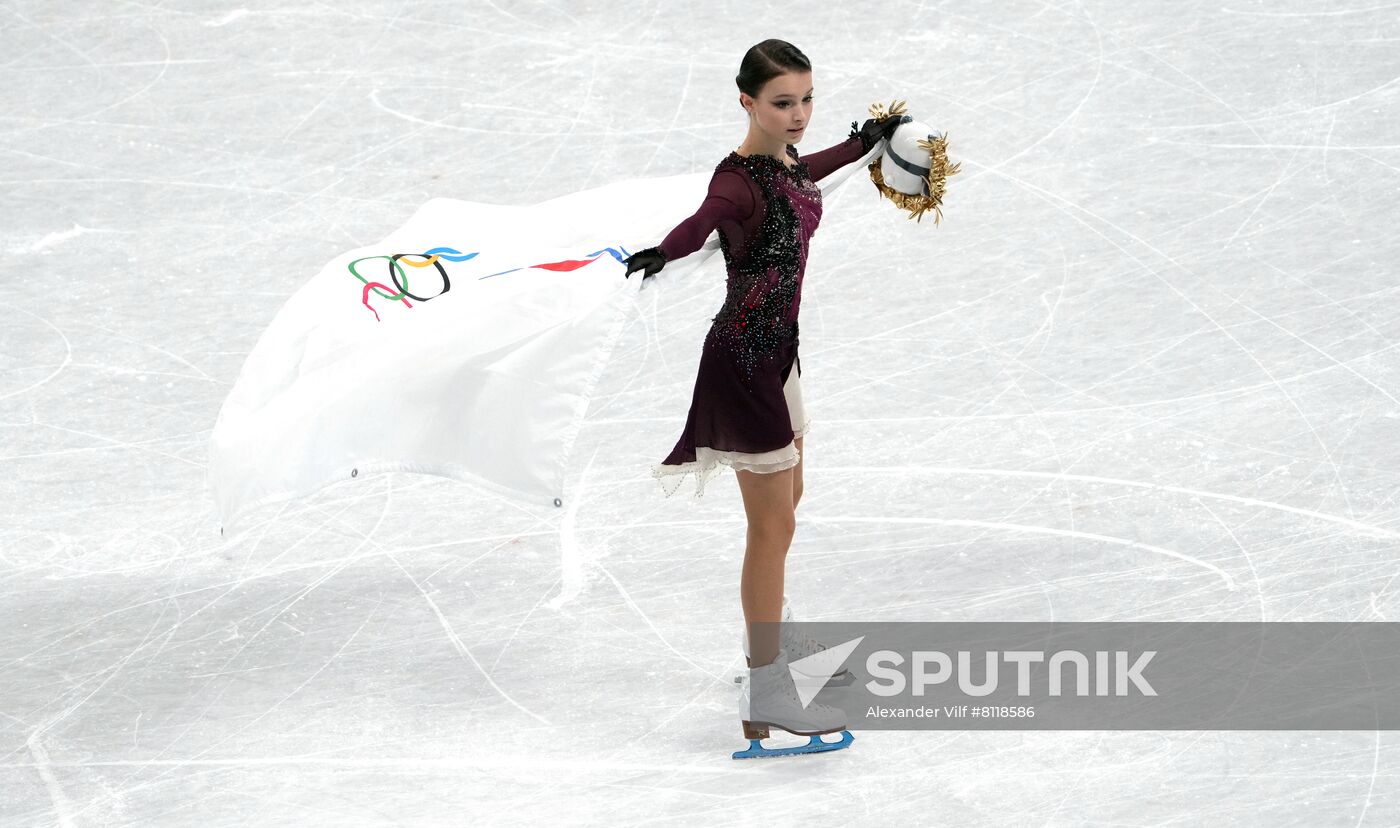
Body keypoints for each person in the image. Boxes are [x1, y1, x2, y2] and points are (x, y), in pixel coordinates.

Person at [622, 39, 903, 752]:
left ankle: (766, 641)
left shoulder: (783, 162)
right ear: (746, 101)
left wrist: (859, 145)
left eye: (807, 99)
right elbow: (703, 219)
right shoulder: (736, 181)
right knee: (771, 530)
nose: (799, 114)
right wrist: (664, 250)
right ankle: (766, 687)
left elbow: (806, 171)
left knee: (786, 513)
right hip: (744, 365)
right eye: (783, 103)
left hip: (781, 358)